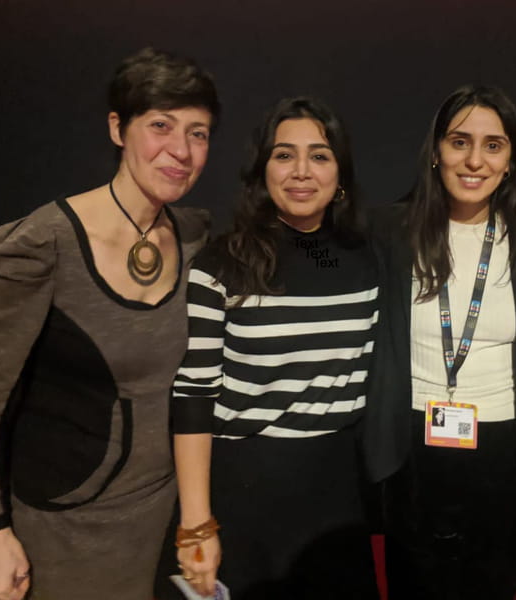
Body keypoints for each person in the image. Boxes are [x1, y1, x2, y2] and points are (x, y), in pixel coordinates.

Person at [0, 47, 219, 600]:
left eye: (199, 133)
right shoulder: (42, 245)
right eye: (161, 126)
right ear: (118, 128)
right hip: (66, 525)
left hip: (167, 513)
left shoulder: (195, 237)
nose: (181, 151)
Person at [172, 97, 380, 599]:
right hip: (245, 492)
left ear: (341, 172)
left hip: (338, 495)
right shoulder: (219, 266)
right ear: (261, 170)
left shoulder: (367, 260)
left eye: (320, 155)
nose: (301, 171)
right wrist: (196, 523)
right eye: (284, 155)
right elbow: (193, 396)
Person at [363, 85, 516, 599]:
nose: (474, 160)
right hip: (413, 449)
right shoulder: (390, 230)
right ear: (436, 152)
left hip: (506, 453)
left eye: (493, 145)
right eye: (459, 142)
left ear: (511, 160)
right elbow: (324, 262)